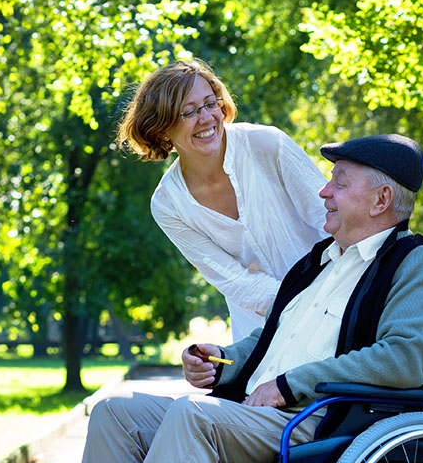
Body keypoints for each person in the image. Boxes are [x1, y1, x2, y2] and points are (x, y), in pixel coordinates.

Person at [28, 134, 423, 463]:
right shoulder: (320, 261)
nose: (324, 192)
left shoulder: (414, 264)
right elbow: (270, 337)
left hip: (318, 426)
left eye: (340, 182)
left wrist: (291, 384)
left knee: (194, 417)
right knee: (116, 414)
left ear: (382, 200)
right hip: (261, 414)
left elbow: (403, 358)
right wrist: (222, 362)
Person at [117, 58, 328, 340]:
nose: (206, 118)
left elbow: (332, 219)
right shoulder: (168, 204)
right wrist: (299, 305)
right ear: (161, 129)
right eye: (188, 112)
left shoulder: (268, 144)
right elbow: (234, 281)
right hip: (259, 336)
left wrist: (328, 297)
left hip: (331, 306)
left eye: (210, 103)